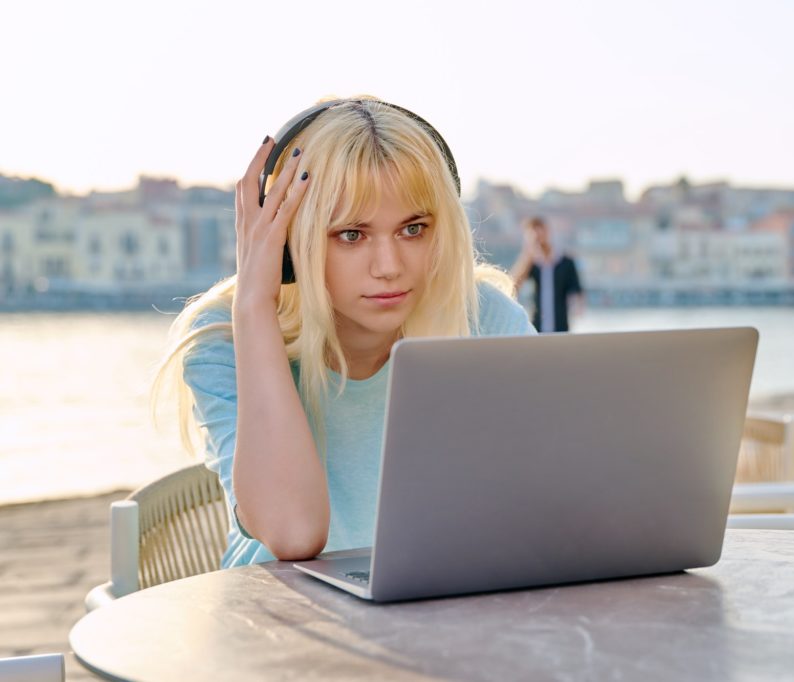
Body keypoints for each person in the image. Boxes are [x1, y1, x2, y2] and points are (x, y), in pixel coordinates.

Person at [155, 98, 534, 567]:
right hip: (275, 625)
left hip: (442, 613)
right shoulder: (222, 341)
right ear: (291, 240)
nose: (390, 268)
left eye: (413, 229)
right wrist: (255, 307)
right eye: (351, 235)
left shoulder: (485, 318)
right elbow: (294, 534)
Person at [510, 216, 584, 332]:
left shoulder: (566, 262)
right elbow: (514, 286)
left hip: (561, 326)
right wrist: (528, 254)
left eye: (540, 231)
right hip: (537, 327)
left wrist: (577, 308)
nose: (538, 237)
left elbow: (576, 291)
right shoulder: (531, 263)